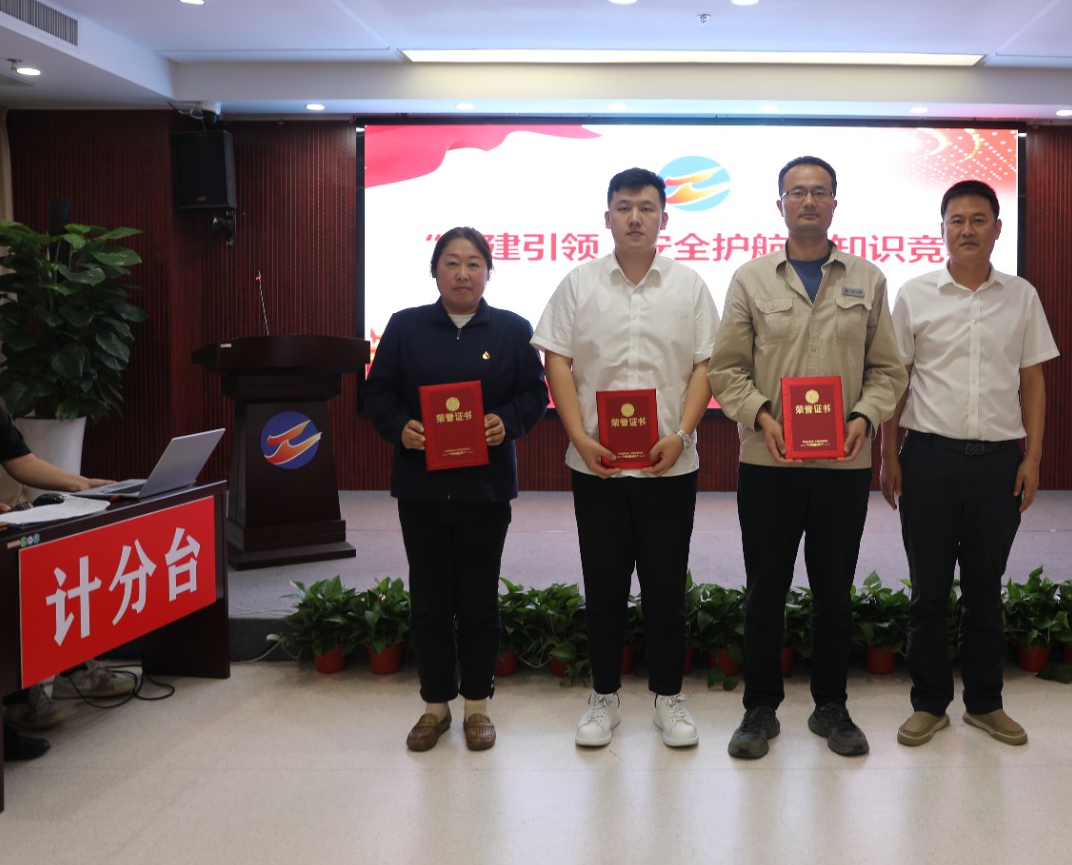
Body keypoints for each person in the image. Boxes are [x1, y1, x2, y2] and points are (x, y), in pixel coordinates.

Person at [709, 155, 907, 759]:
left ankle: (831, 707)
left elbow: (888, 370)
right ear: (780, 205)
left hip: (842, 466)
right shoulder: (751, 279)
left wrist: (863, 417)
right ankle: (759, 709)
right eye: (797, 192)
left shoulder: (868, 278)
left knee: (834, 594)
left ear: (834, 204)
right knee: (765, 592)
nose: (809, 202)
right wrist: (764, 416)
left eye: (820, 192)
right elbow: (726, 370)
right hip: (768, 463)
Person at [532, 168, 718, 749]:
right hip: (598, 465)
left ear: (665, 217)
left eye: (646, 207)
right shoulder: (578, 283)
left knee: (665, 589)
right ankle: (604, 696)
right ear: (607, 216)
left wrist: (682, 434)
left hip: (669, 464)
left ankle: (668, 698)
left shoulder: (689, 286)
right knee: (604, 586)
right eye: (624, 207)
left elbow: (706, 365)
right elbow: (556, 360)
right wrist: (578, 436)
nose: (635, 217)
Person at [879, 181, 1058, 748]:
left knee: (985, 589)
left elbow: (1033, 379)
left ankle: (985, 703)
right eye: (956, 220)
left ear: (998, 229)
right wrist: (888, 455)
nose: (967, 230)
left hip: (998, 464)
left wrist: (1033, 457)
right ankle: (929, 704)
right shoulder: (915, 294)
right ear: (942, 230)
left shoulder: (1021, 296)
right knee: (928, 592)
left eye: (979, 220)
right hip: (928, 459)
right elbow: (897, 379)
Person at [360, 228, 548, 753]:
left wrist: (506, 421)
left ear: (488, 272)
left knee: (479, 600)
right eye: (451, 262)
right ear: (434, 270)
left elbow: (534, 394)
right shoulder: (406, 326)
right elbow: (377, 393)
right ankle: (435, 706)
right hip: (421, 487)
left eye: (473, 263)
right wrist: (400, 427)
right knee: (429, 601)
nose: (463, 273)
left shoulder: (512, 330)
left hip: (485, 489)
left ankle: (478, 706)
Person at [0, 311, 129, 761]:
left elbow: (23, 463)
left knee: (54, 572)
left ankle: (60, 676)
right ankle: (3, 716)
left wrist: (82, 484)